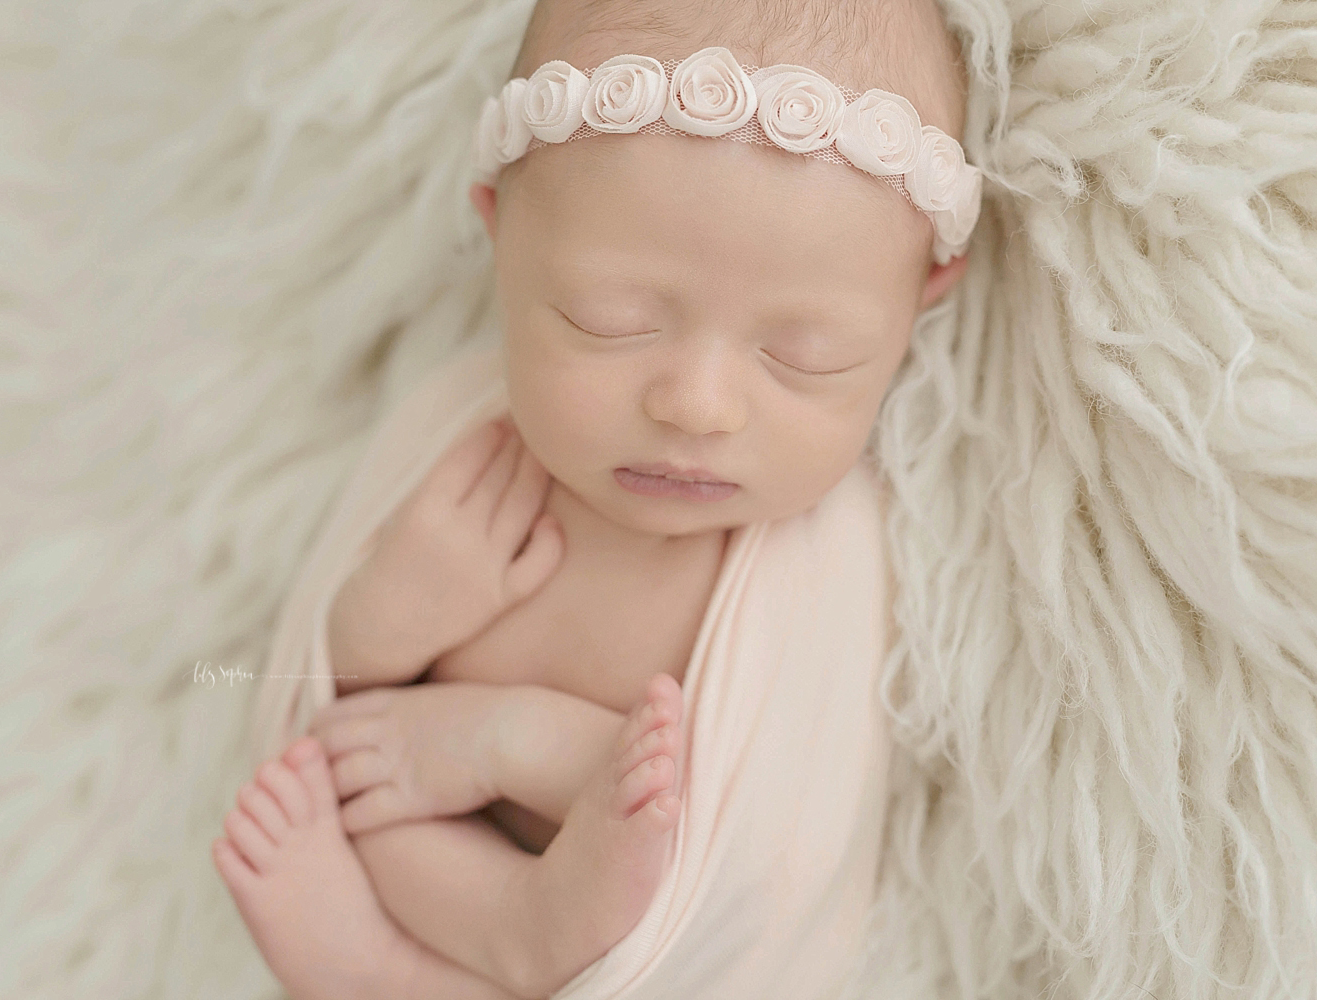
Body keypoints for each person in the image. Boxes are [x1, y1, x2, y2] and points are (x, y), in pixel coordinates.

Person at [211, 0, 980, 996]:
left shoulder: (819, 554)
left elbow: (770, 852)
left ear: (923, 294)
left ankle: (463, 952)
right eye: (606, 319)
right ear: (499, 232)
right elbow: (320, 717)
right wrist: (379, 624)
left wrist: (512, 741)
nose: (696, 405)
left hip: (642, 940)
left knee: (633, 810)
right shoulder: (468, 438)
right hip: (417, 868)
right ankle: (396, 959)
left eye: (805, 356)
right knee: (341, 783)